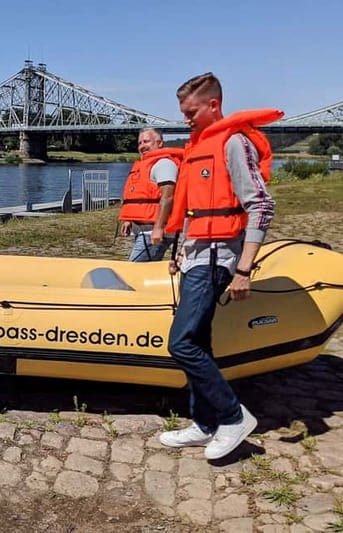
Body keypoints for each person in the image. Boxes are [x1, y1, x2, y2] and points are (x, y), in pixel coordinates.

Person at [158, 73, 280, 460]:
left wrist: (244, 269)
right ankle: (205, 423)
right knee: (198, 341)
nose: (186, 119)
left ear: (213, 105)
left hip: (219, 258)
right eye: (182, 113)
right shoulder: (199, 145)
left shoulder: (233, 142)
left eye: (191, 112)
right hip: (197, 253)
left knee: (180, 342)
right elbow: (195, 208)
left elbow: (261, 205)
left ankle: (232, 417)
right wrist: (182, 248)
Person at [118, 128, 182, 261]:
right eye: (139, 143)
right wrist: (129, 219)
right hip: (142, 231)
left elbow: (168, 196)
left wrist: (158, 228)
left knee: (133, 272)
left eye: (146, 141)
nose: (142, 146)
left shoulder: (164, 164)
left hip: (153, 232)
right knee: (142, 270)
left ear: (159, 143)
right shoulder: (144, 165)